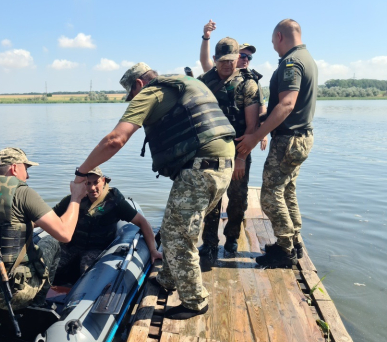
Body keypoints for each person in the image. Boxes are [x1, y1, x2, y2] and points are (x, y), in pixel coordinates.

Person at [73, 63, 235, 320]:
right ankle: (169, 278)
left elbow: (115, 139)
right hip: (220, 165)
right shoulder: (182, 85)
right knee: (172, 227)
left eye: (132, 95)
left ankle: (195, 302)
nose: (134, 100)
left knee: (181, 237)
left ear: (138, 84)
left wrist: (82, 172)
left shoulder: (151, 92)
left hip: (200, 169)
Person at [0, 147, 87, 309]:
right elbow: (65, 234)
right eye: (26, 169)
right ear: (14, 168)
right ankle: (38, 302)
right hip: (15, 296)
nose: (27, 175)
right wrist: (76, 197)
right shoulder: (23, 193)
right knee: (53, 241)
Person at [236, 19, 317, 268]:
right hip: (301, 138)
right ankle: (294, 243)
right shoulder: (308, 59)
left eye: (273, 43)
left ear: (280, 37)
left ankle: (285, 251)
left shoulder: (291, 63)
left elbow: (287, 104)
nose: (274, 48)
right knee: (287, 192)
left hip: (288, 140)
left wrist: (256, 135)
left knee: (270, 196)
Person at [196, 37, 261, 260]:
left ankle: (232, 238)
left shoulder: (247, 84)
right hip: (210, 150)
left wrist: (242, 158)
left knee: (237, 198)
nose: (227, 64)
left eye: (232, 59)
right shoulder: (204, 81)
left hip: (237, 150)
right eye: (223, 60)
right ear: (215, 59)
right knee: (211, 199)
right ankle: (210, 243)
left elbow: (252, 126)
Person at [52, 167, 162, 278]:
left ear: (103, 181)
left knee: (87, 274)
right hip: (72, 246)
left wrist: (153, 250)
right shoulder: (74, 199)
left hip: (97, 249)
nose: (92, 188)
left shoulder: (115, 202)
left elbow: (142, 222)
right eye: (87, 183)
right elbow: (50, 216)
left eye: (96, 182)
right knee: (49, 266)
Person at [200, 20, 269, 146]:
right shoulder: (209, 77)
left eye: (249, 57)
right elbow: (205, 61)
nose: (246, 59)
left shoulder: (249, 82)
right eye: (243, 55)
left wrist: (262, 134)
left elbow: (258, 113)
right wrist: (206, 37)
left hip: (237, 141)